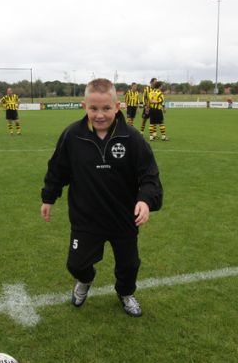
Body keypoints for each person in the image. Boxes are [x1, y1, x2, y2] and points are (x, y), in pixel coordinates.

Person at [40, 78, 163, 317]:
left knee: (129, 265)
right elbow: (57, 169)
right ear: (84, 106)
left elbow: (149, 174)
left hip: (123, 217)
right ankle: (85, 279)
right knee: (76, 265)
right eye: (93, 108)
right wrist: (49, 197)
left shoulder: (132, 138)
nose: (99, 115)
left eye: (106, 108)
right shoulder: (72, 135)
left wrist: (145, 200)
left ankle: (125, 293)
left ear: (117, 106)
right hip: (86, 217)